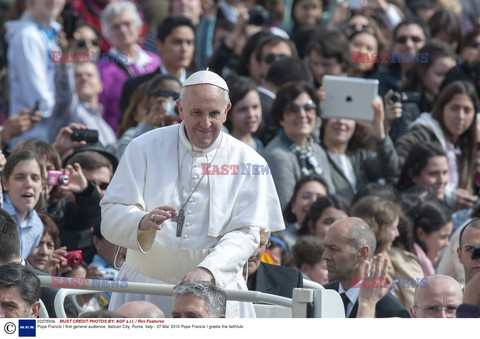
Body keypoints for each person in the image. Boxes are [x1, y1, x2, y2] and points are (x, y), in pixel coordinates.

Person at [101, 70, 284, 317]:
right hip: (145, 287)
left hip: (214, 289)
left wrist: (208, 271)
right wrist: (140, 222)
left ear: (227, 110)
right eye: (196, 112)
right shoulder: (142, 148)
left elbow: (247, 234)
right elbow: (111, 212)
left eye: (214, 114)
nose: (205, 124)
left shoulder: (250, 161)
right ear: (180, 109)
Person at [396, 81, 478, 210]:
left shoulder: (468, 142)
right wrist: (447, 197)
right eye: (454, 108)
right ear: (441, 108)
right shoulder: (420, 134)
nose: (460, 116)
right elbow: (397, 170)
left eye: (467, 110)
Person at [264, 82, 334, 210]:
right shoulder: (277, 156)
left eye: (309, 108)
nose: (302, 115)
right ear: (281, 118)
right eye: (293, 109)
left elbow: (332, 197)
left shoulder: (317, 150)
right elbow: (287, 211)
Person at [322, 217, 409, 318]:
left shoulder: (391, 313)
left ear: (362, 253)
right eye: (325, 247)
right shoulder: (320, 296)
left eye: (333, 248)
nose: (325, 256)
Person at [4, 0, 65, 144]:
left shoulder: (53, 35)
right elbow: (38, 99)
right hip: (33, 139)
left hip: (50, 134)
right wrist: (66, 110)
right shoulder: (27, 37)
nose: (53, 1)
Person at [98, 1, 161, 132]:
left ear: (138, 27)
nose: (123, 30)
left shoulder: (155, 61)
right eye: (116, 26)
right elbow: (100, 112)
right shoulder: (102, 69)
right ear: (107, 33)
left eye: (127, 24)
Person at [2, 150, 44, 258]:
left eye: (35, 178)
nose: (29, 184)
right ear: (5, 183)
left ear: (42, 185)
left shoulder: (37, 226)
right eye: (20, 177)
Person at [245, 230, 303, 298]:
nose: (253, 253)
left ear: (266, 244)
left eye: (260, 244)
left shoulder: (290, 283)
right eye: (245, 243)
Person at [279, 175, 329, 246]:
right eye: (306, 196)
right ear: (293, 205)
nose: (313, 201)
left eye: (320, 197)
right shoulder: (282, 242)